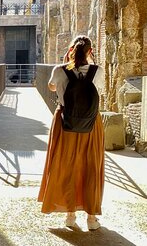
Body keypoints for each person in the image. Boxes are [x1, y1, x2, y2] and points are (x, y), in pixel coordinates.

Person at [38, 35, 105, 231]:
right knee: (91, 165)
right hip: (91, 125)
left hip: (65, 122)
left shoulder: (60, 70)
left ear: (70, 51)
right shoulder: (98, 71)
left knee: (66, 164)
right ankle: (92, 218)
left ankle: (70, 215)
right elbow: (99, 89)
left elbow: (51, 87)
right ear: (90, 52)